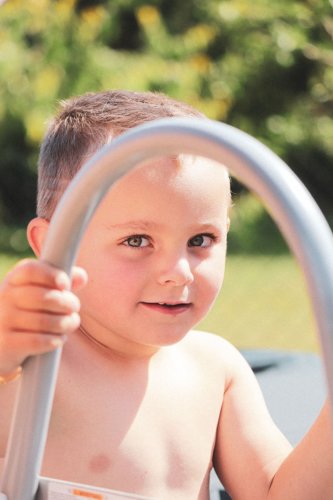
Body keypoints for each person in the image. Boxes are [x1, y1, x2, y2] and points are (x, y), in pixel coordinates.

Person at [0, 90, 332, 500]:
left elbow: (277, 495)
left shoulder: (216, 371)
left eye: (201, 239)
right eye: (137, 240)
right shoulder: (33, 366)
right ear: (55, 246)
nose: (178, 272)